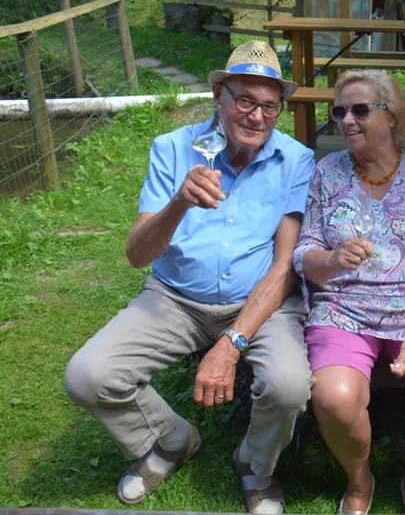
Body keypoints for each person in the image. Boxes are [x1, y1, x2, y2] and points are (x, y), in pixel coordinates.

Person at [64, 41, 316, 515]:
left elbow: (286, 266)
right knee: (87, 375)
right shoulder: (173, 148)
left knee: (288, 386)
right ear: (219, 95)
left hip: (260, 304)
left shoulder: (297, 161)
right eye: (244, 100)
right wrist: (179, 202)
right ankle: (172, 439)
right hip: (175, 298)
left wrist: (231, 344)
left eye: (270, 106)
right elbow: (138, 255)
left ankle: (255, 465)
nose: (257, 117)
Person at [293, 69, 405, 515]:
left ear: (392, 116)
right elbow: (305, 254)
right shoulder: (327, 172)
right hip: (345, 308)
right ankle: (359, 481)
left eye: (359, 109)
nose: (346, 120)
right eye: (339, 111)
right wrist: (332, 260)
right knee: (333, 396)